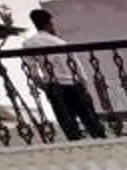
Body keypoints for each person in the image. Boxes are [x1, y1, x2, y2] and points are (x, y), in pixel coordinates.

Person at [18, 8, 103, 139]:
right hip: (74, 84)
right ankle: (100, 140)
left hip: (55, 86)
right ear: (48, 23)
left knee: (68, 124)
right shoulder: (60, 42)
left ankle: (77, 143)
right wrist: (84, 84)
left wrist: (44, 86)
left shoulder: (29, 43)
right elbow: (77, 65)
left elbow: (32, 70)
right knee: (91, 121)